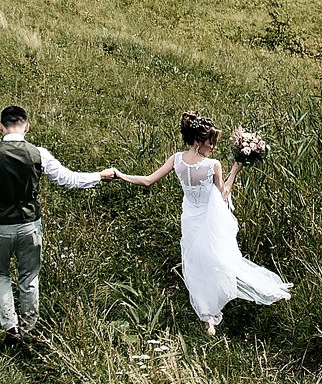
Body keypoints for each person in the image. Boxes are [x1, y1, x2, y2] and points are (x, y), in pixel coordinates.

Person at [0, 105, 116, 341]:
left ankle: (10, 326)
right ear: (27, 127)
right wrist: (99, 176)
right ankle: (29, 330)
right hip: (30, 224)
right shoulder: (39, 154)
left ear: (0, 127)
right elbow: (68, 179)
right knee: (29, 277)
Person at [113, 111, 290, 334]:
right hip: (208, 219)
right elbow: (223, 194)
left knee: (196, 264)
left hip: (189, 218)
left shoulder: (176, 159)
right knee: (218, 261)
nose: (213, 147)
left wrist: (120, 174)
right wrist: (235, 170)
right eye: (210, 142)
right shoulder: (213, 165)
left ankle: (208, 317)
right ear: (198, 142)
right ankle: (213, 311)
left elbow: (148, 181)